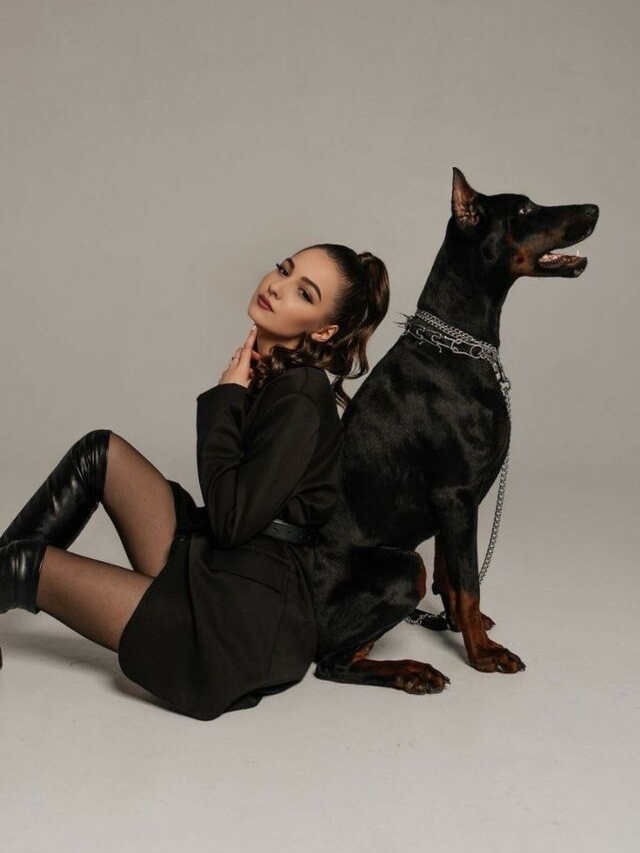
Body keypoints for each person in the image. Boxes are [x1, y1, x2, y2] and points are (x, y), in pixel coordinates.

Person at [0, 243, 390, 720]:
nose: (277, 287)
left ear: (324, 330)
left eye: (303, 293)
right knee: (98, 454)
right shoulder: (275, 375)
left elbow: (231, 521)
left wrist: (227, 397)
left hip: (240, 622)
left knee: (24, 565)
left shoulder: (301, 398)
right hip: (223, 566)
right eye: (283, 270)